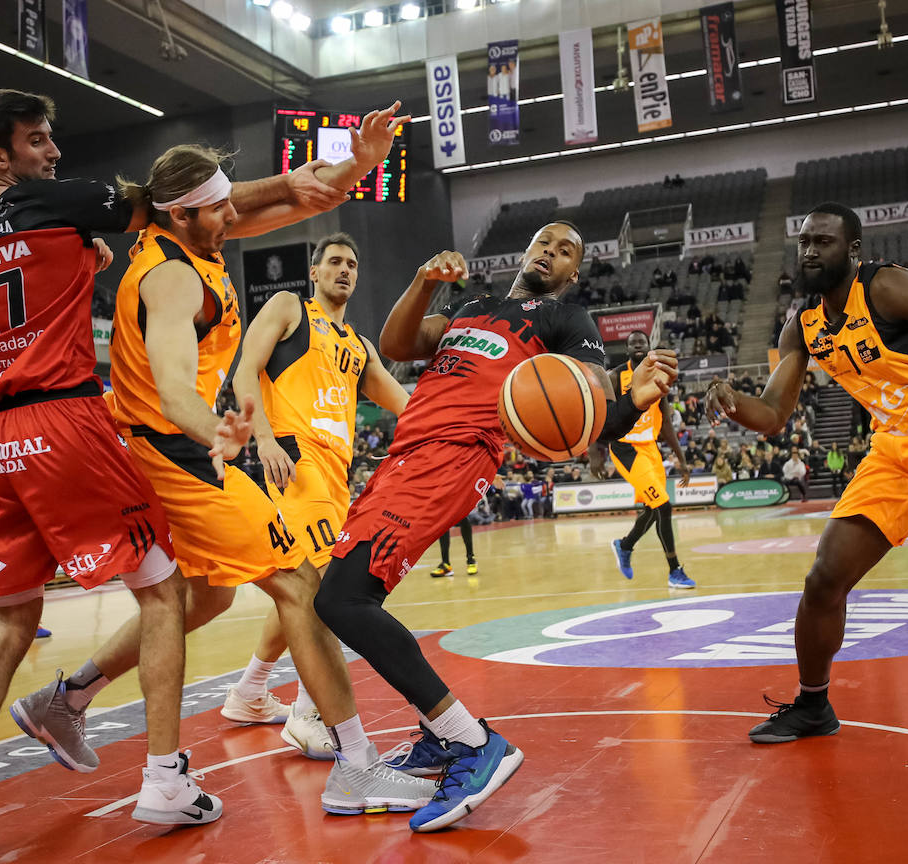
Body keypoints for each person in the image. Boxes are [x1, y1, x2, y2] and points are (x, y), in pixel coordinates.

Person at [10, 124, 435, 816]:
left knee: (206, 596)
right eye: (220, 209)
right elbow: (177, 393)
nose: (234, 217)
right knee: (302, 584)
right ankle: (355, 763)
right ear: (182, 213)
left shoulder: (187, 236)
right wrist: (225, 433)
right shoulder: (174, 278)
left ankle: (68, 701)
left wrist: (363, 161)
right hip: (175, 450)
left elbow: (296, 200)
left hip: (159, 447)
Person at [0, 89, 252, 855]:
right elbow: (175, 204)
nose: (54, 152)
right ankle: (166, 780)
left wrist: (78, 251)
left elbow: (29, 271)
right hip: (64, 416)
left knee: (9, 623)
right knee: (167, 592)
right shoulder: (54, 203)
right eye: (37, 141)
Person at [313, 220, 678, 832]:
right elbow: (398, 344)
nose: (551, 253)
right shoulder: (474, 305)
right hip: (407, 453)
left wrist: (632, 401)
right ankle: (437, 735)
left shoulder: (567, 322)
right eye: (546, 242)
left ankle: (471, 741)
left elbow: (587, 415)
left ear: (573, 273)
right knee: (344, 593)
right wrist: (425, 282)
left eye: (567, 250)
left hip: (454, 456)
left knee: (344, 598)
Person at [706, 202, 908, 782]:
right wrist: (732, 401)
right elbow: (773, 413)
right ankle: (814, 704)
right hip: (892, 452)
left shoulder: (889, 288)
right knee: (825, 575)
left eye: (823, 241)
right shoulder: (803, 325)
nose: (809, 251)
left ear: (853, 251)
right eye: (803, 242)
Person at [224, 230, 409, 754]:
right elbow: (246, 369)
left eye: (352, 263)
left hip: (335, 477)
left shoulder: (359, 346)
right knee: (334, 591)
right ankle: (308, 715)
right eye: (334, 262)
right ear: (315, 270)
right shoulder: (288, 307)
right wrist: (262, 439)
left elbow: (408, 405)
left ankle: (250, 690)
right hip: (293, 464)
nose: (344, 270)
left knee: (301, 586)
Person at [591, 330, 695, 589]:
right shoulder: (615, 376)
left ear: (649, 347)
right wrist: (595, 454)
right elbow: (597, 413)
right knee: (663, 505)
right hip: (626, 449)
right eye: (633, 343)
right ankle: (675, 570)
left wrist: (681, 459)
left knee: (652, 509)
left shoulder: (659, 376)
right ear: (627, 349)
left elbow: (667, 423)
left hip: (650, 448)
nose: (638, 346)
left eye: (642, 342)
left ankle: (624, 545)